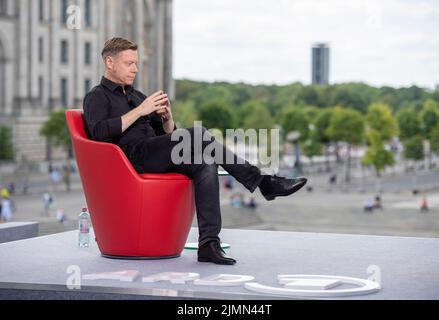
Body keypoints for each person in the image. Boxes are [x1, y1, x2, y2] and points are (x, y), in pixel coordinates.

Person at [83, 37, 308, 265]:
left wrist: (167, 119)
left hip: (153, 153)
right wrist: (141, 111)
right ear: (110, 63)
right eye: (128, 63)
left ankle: (208, 244)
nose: (135, 69)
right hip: (128, 158)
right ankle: (263, 182)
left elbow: (167, 136)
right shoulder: (97, 96)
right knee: (197, 134)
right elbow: (99, 132)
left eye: (136, 63)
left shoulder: (137, 95)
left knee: (205, 163)